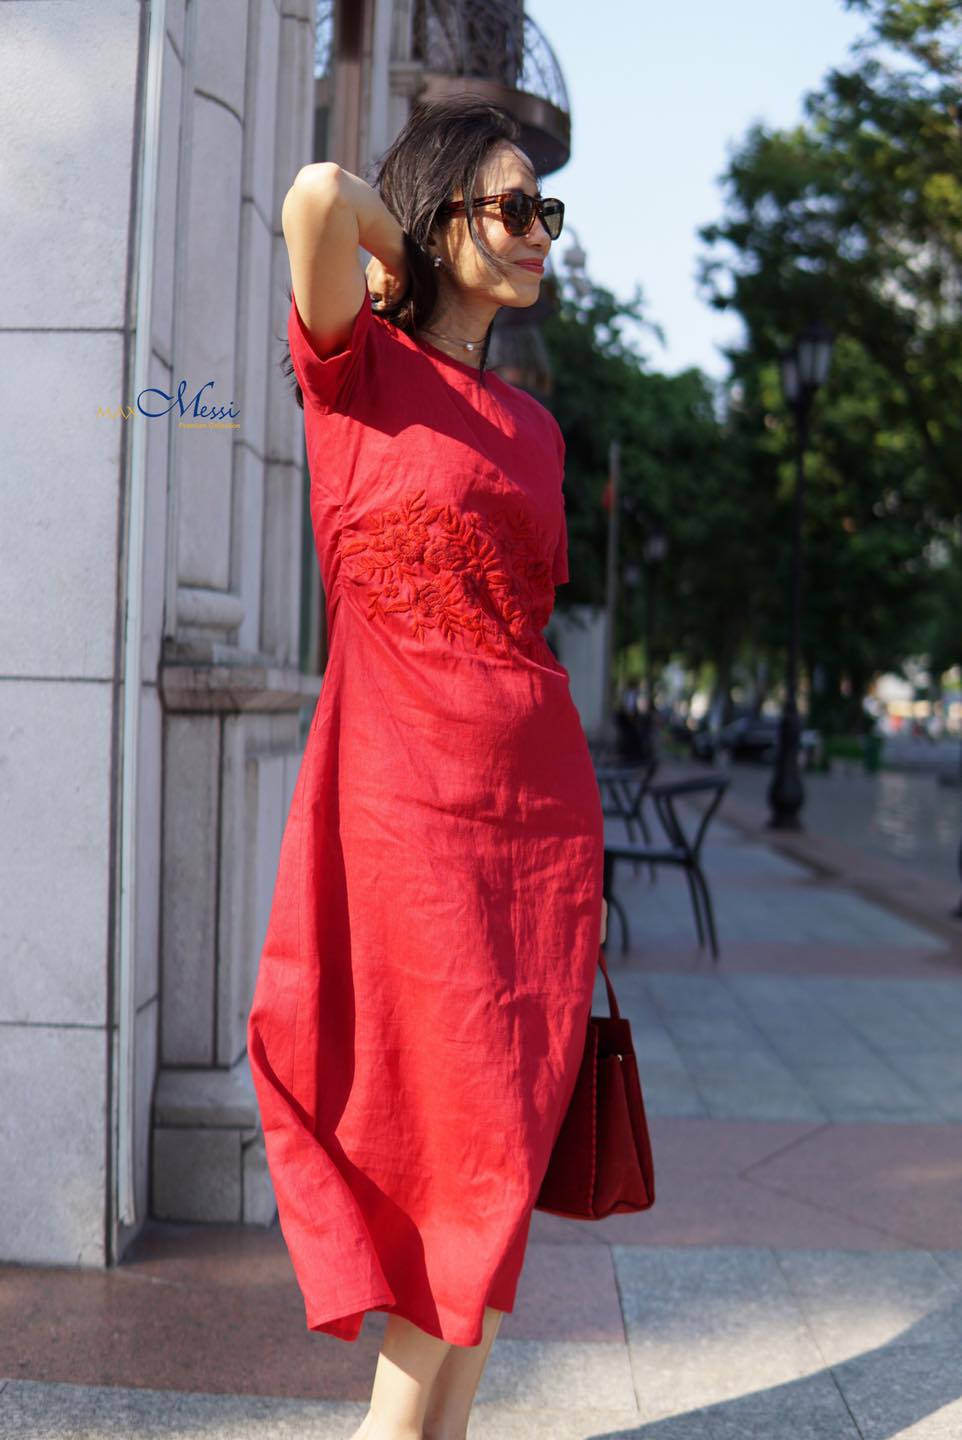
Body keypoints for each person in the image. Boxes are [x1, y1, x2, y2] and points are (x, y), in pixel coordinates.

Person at [246, 94, 607, 1440]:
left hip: (540, 830)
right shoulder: (355, 368)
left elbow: (523, 625)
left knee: (505, 1149)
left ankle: (433, 1432)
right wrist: (404, 259)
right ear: (439, 215)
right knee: (458, 1142)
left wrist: (461, 239)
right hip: (404, 815)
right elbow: (313, 195)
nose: (538, 235)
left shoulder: (536, 430)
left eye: (546, 212)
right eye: (512, 208)